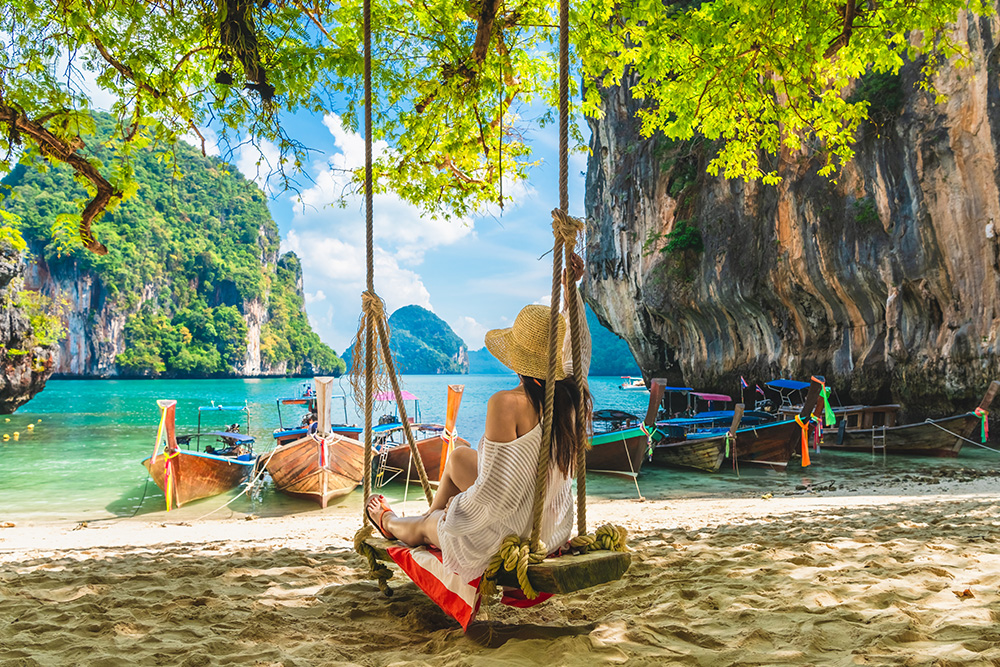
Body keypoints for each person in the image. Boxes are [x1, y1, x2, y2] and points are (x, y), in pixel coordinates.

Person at [365, 253, 590, 582]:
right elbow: (580, 349)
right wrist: (572, 289)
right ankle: (429, 515)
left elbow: (494, 495)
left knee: (433, 526)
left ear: (515, 359)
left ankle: (389, 522)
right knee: (458, 456)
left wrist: (451, 519)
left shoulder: (505, 403)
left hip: (507, 538)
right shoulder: (572, 396)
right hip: (548, 527)